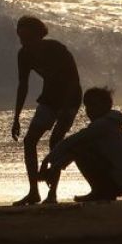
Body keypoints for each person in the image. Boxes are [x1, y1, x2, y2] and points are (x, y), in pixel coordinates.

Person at [11, 15, 82, 205]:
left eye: (28, 38)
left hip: (71, 96)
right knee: (29, 141)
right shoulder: (23, 54)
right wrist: (16, 117)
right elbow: (23, 85)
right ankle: (33, 191)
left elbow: (73, 80)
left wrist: (66, 108)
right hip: (49, 97)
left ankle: (52, 194)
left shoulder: (56, 49)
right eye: (21, 37)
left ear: (38, 35)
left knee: (55, 142)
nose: (24, 42)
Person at [38, 87, 122, 202]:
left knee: (79, 149)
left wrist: (46, 162)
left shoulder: (103, 125)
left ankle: (100, 191)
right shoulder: (111, 122)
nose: (89, 110)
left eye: (93, 105)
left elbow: (71, 141)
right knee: (80, 147)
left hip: (120, 181)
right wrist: (56, 165)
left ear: (104, 106)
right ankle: (100, 191)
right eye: (87, 106)